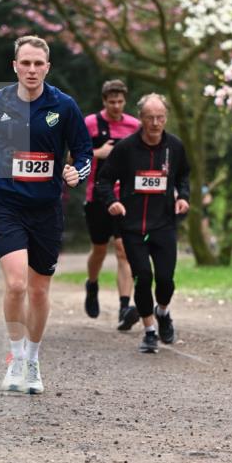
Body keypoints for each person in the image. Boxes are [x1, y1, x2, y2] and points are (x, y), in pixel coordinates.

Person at [0, 35, 92, 394]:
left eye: (39, 63)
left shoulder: (63, 106)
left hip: (47, 209)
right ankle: (16, 357)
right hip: (7, 204)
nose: (32, 69)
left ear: (47, 67)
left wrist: (75, 172)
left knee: (38, 291)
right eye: (26, 63)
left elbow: (84, 152)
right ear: (15, 66)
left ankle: (33, 360)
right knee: (17, 283)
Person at [97, 93, 190, 354]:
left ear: (166, 118)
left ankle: (163, 312)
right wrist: (112, 202)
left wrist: (183, 197)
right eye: (150, 118)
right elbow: (104, 180)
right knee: (143, 278)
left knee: (165, 280)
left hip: (164, 224)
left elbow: (183, 175)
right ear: (141, 118)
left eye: (160, 117)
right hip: (133, 226)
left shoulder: (175, 147)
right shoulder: (126, 148)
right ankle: (149, 331)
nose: (156, 123)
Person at [83, 79, 141, 330]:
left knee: (123, 250)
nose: (116, 106)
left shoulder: (134, 125)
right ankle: (92, 284)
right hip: (97, 197)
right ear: (104, 101)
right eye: (112, 102)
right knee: (99, 249)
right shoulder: (90, 123)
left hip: (126, 197)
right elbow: (75, 155)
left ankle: (124, 307)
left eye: (120, 102)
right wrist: (98, 153)